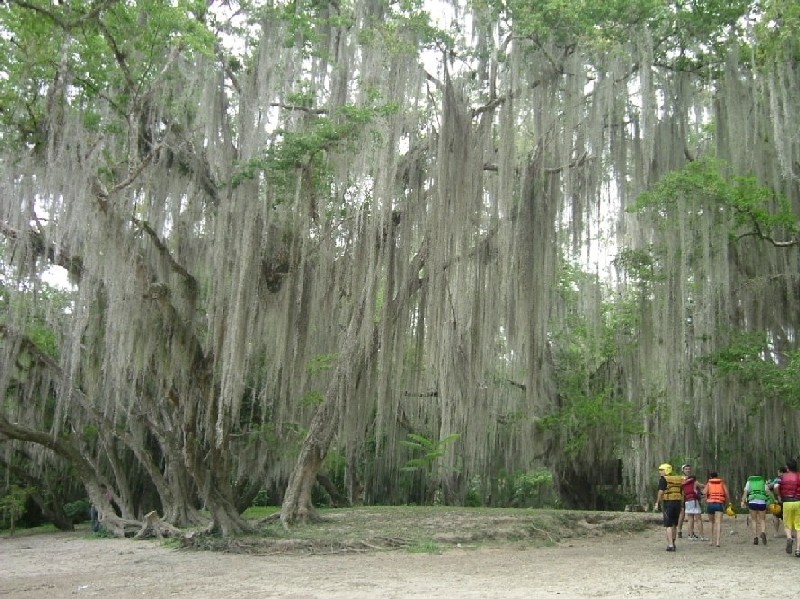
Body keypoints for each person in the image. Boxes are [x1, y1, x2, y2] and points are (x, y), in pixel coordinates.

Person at [655, 463, 683, 552]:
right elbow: (682, 492)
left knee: (668, 525)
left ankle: (670, 545)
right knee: (675, 524)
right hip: (677, 503)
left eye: (661, 470)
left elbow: (660, 491)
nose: (660, 472)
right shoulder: (678, 479)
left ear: (666, 470)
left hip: (668, 503)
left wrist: (657, 502)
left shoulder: (663, 479)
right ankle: (673, 543)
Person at [774, 458, 800, 556]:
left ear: (787, 467)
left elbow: (776, 487)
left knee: (787, 524)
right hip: (798, 502)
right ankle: (798, 550)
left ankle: (789, 538)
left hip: (787, 502)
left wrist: (779, 496)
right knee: (798, 526)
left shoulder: (782, 477)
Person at [678, 464, 706, 541]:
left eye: (689, 469)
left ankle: (690, 535)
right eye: (686, 469)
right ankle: (701, 536)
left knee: (690, 518)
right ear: (683, 470)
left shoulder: (685, 481)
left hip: (687, 500)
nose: (688, 470)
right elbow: (702, 486)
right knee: (698, 518)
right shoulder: (690, 480)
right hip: (690, 500)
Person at [741, 473, 770, 545]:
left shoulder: (749, 482)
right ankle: (763, 532)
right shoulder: (763, 481)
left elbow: (745, 492)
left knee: (754, 520)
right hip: (762, 502)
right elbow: (768, 492)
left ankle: (755, 537)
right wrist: (770, 501)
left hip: (752, 501)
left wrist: (743, 501)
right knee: (762, 519)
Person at [703, 470, 730, 547]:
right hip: (719, 503)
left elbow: (704, 493)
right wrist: (728, 503)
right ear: (717, 476)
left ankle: (711, 541)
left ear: (710, 477)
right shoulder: (722, 483)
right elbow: (727, 494)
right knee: (718, 523)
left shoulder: (708, 483)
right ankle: (718, 542)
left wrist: (706, 501)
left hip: (710, 504)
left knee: (711, 522)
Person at [768, 466, 788, 537]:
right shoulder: (790, 479)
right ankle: (788, 533)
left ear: (781, 472)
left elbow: (771, 487)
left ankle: (776, 533)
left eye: (778, 472)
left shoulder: (778, 479)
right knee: (787, 517)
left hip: (778, 501)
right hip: (788, 500)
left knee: (775, 516)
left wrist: (778, 496)